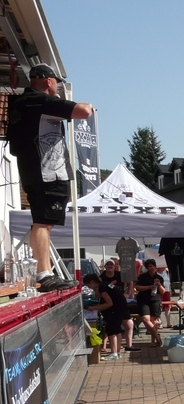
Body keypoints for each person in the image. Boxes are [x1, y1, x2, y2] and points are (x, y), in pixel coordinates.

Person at [7, 63, 94, 292]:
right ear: (48, 81)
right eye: (56, 82)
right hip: (48, 173)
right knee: (43, 223)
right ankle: (44, 274)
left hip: (35, 172)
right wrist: (89, 106)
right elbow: (84, 111)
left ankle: (44, 271)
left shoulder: (22, 104)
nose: (57, 87)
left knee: (43, 222)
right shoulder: (40, 101)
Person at [83, 273, 138, 360]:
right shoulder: (105, 284)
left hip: (115, 309)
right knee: (117, 330)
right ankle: (117, 352)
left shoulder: (102, 287)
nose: (89, 287)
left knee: (111, 330)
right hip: (121, 308)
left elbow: (109, 303)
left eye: (88, 285)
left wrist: (94, 308)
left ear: (92, 282)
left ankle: (114, 353)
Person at [135, 258, 165, 347]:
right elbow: (137, 288)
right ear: (147, 268)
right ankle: (157, 337)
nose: (151, 268)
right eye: (149, 266)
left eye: (152, 266)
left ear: (155, 267)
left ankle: (153, 341)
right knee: (145, 319)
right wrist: (149, 287)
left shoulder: (159, 278)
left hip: (155, 300)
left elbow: (163, 291)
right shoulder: (142, 277)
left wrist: (159, 285)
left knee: (154, 320)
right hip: (143, 300)